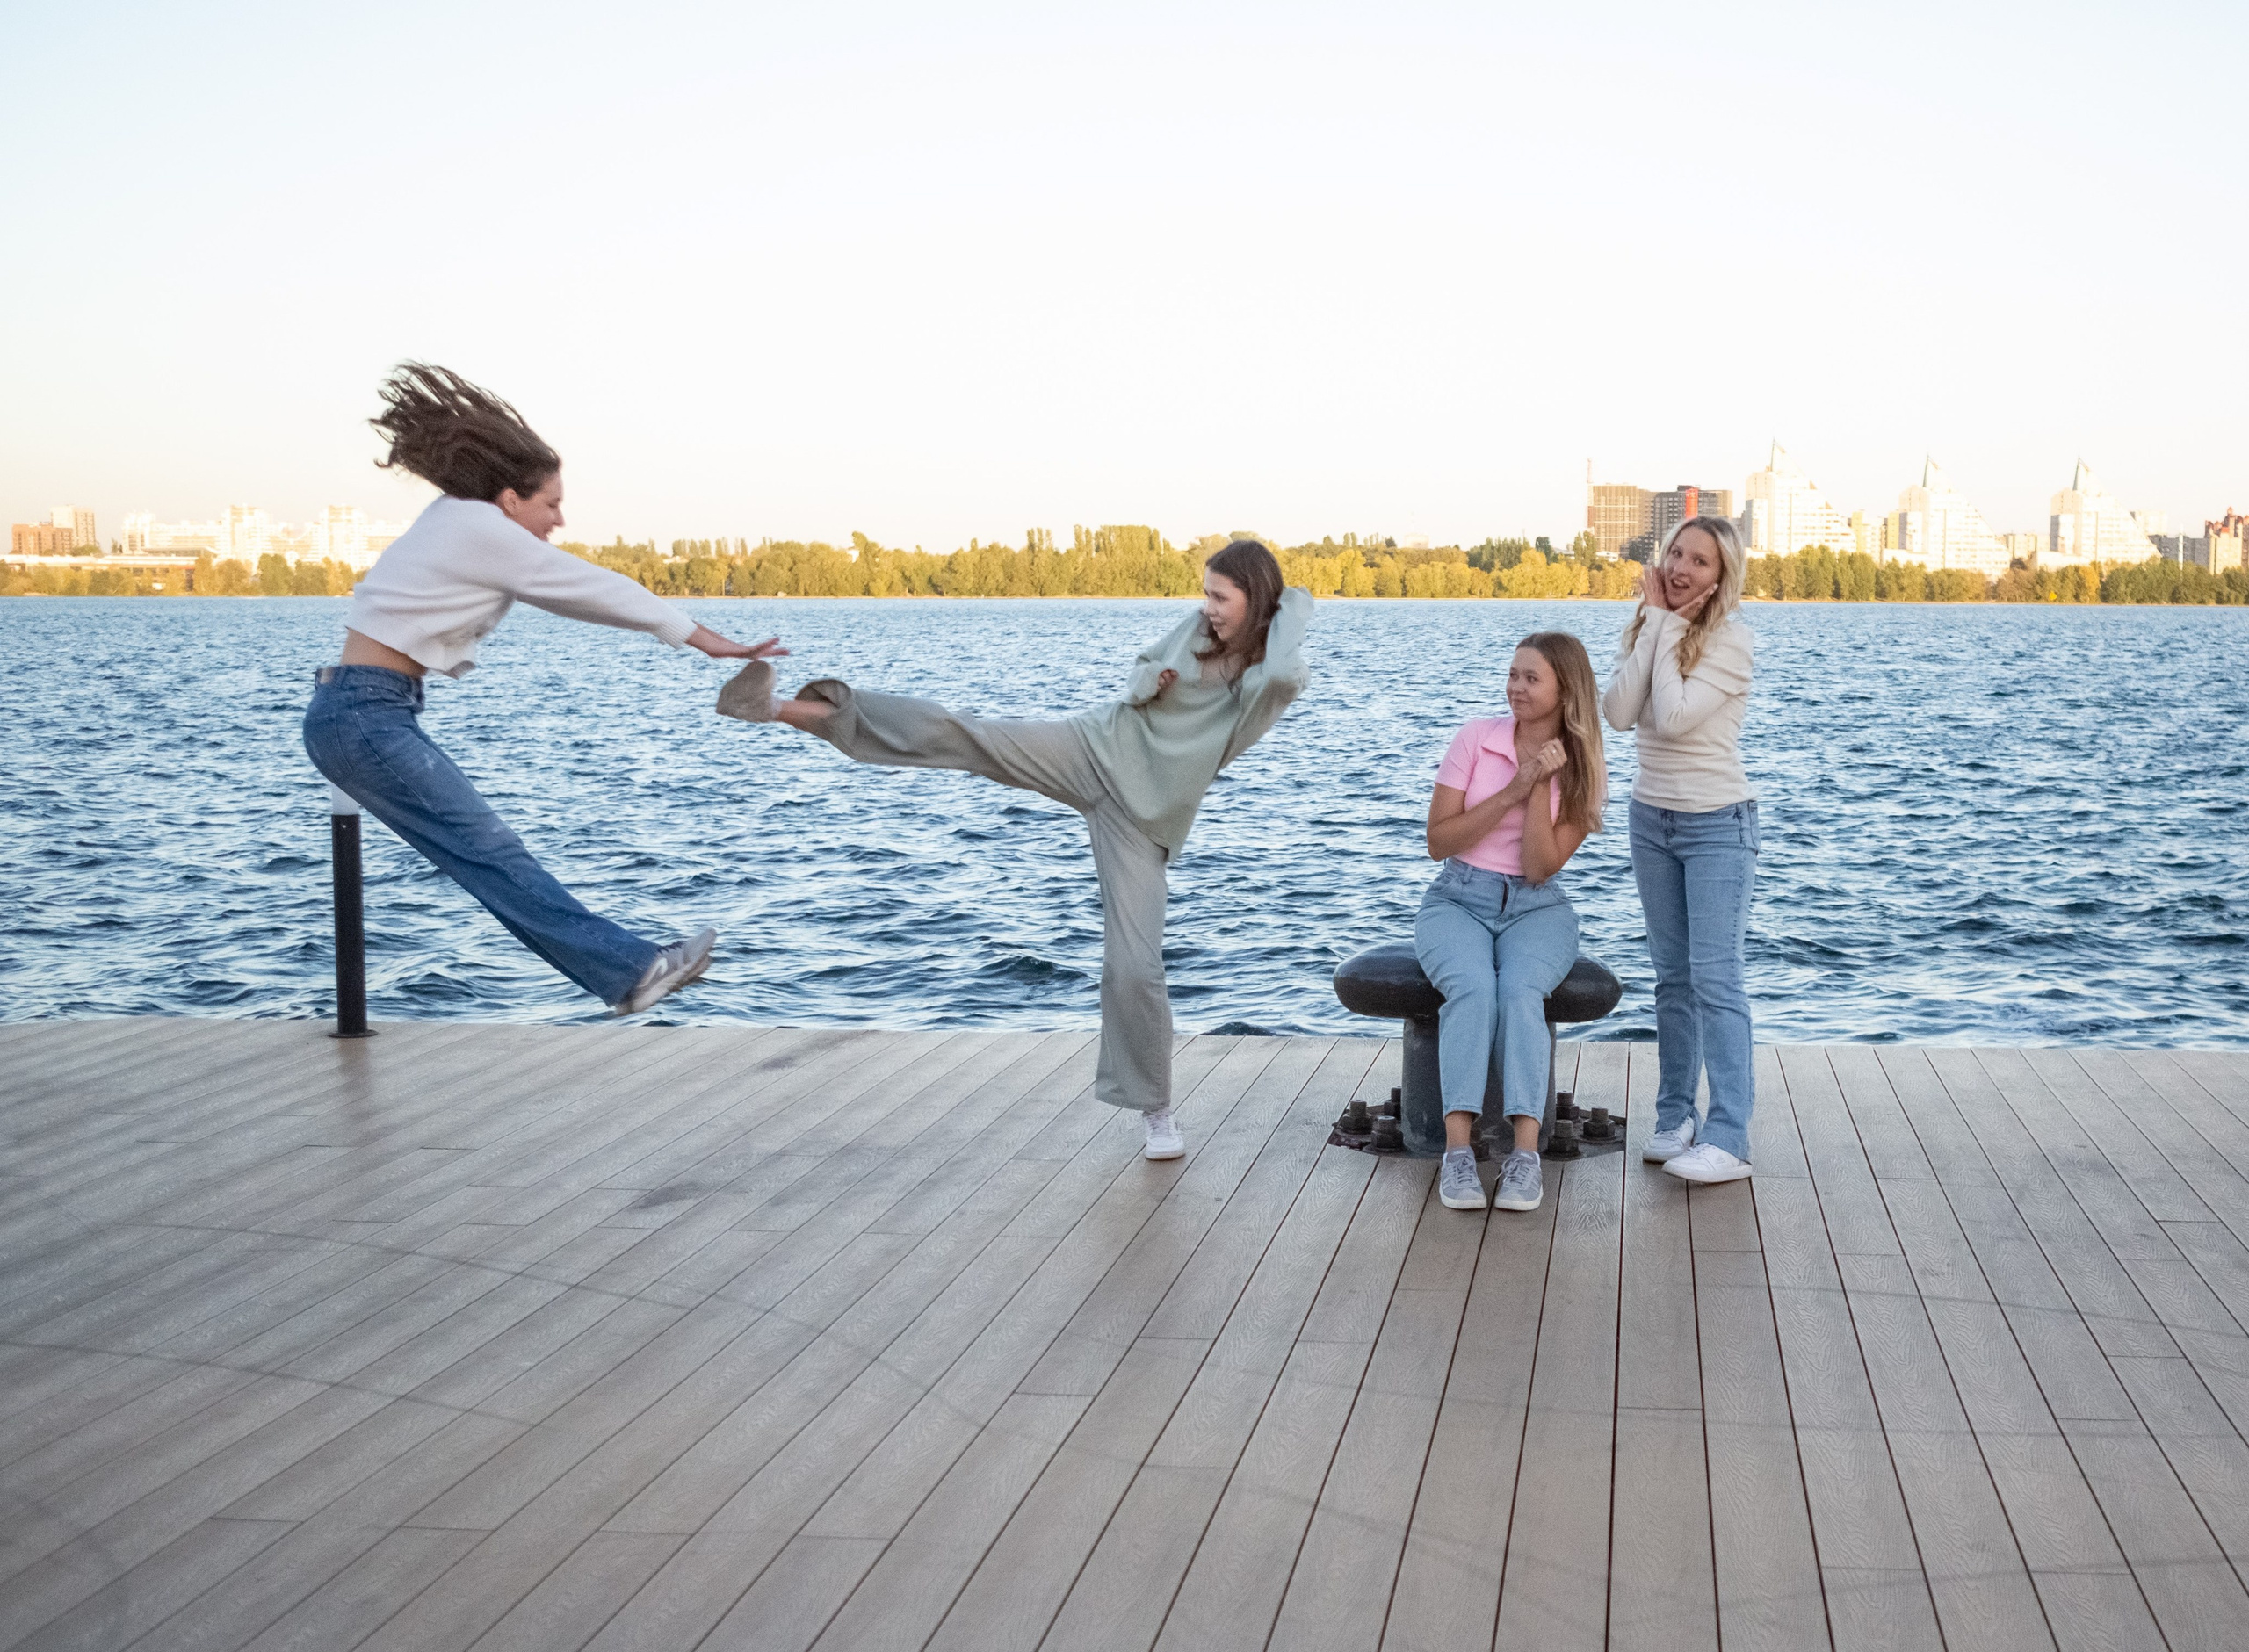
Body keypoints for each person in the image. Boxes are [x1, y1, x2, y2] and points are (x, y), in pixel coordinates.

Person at [719, 540, 1311, 1160]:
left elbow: (1283, 672)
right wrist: (1151, 679)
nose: (1208, 606)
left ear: (1257, 597)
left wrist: (1287, 603)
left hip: (1143, 816)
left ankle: (1155, 1109)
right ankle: (782, 706)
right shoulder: (1194, 629)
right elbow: (1140, 673)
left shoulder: (1273, 673)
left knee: (1134, 968)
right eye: (1206, 593)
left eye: (1220, 596)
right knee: (965, 735)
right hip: (1093, 747)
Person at [303, 363, 784, 1015]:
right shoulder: (478, 528)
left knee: (484, 856)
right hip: (364, 714)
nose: (560, 518)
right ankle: (633, 970)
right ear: (509, 499)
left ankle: (627, 972)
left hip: (362, 710)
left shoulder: (460, 522)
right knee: (490, 851)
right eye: (551, 503)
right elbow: (592, 589)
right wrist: (704, 638)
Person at [1414, 633, 1607, 1214]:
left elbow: (1538, 866)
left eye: (1531, 678)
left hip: (1537, 906)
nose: (1516, 687)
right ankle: (1458, 1153)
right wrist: (1514, 790)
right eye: (1513, 675)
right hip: (1458, 897)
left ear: (1564, 690)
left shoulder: (1581, 769)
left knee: (1520, 991)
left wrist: (1543, 785)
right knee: (1473, 988)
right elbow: (1437, 840)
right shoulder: (1477, 739)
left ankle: (1525, 1155)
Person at [1602, 515, 1757, 1184]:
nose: (1681, 567)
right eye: (1675, 553)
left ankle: (1729, 1135)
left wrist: (1666, 627)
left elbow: (1670, 714)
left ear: (1721, 576)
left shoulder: (1731, 640)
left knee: (1715, 979)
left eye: (1699, 560)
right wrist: (1656, 624)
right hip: (1651, 818)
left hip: (1716, 822)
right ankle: (1676, 1117)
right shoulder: (1648, 624)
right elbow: (1616, 711)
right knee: (1671, 978)